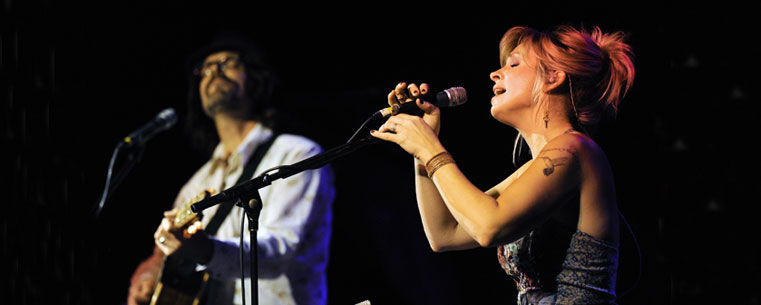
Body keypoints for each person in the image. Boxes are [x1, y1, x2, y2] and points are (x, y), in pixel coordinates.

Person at [370, 25, 635, 305]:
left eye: (514, 64)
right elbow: (444, 233)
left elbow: (488, 226)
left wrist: (430, 149)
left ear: (553, 78)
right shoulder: (537, 168)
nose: (495, 73)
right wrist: (423, 150)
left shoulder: (576, 151)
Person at [127, 32, 335, 305]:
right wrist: (149, 273)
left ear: (255, 79)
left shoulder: (296, 154)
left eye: (228, 63)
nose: (214, 71)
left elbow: (279, 252)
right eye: (205, 69)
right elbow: (163, 255)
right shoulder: (195, 183)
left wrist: (206, 250)